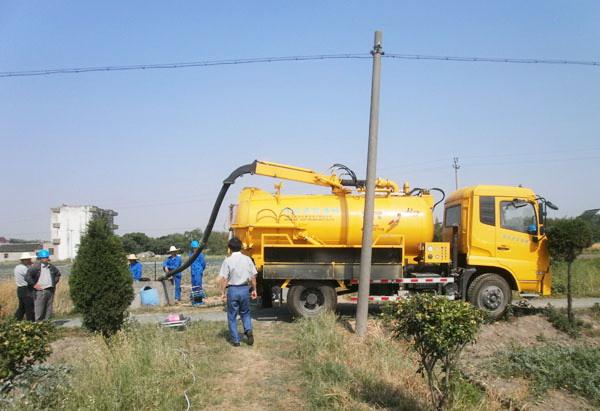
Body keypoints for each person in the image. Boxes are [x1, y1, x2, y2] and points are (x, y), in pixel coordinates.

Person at [218, 237, 257, 346]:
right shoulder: (247, 259)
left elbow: (224, 278)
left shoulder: (227, 260)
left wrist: (223, 292)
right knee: (245, 313)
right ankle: (248, 329)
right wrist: (254, 289)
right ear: (241, 247)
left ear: (229, 248)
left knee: (232, 315)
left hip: (233, 290)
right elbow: (253, 277)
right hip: (245, 289)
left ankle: (236, 340)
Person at [25, 249, 61, 321]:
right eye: (44, 257)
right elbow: (27, 277)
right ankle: (39, 325)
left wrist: (53, 282)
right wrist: (34, 284)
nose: (46, 259)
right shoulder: (35, 267)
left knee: (48, 309)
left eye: (47, 257)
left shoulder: (51, 266)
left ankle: (47, 324)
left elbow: (58, 274)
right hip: (40, 291)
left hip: (50, 290)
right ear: (40, 258)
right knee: (39, 309)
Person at [14, 252, 35, 321]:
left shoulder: (17, 267)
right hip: (25, 289)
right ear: (24, 260)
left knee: (22, 307)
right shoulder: (23, 268)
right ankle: (30, 322)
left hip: (20, 289)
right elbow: (30, 275)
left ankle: (16, 321)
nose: (30, 261)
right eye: (29, 259)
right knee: (29, 307)